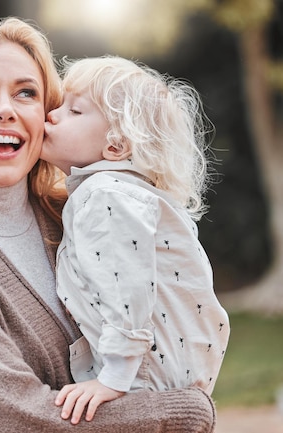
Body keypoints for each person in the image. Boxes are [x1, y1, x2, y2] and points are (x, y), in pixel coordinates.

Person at [0, 17, 216, 432]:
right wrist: (184, 412)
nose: (5, 110)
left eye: (26, 94)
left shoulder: (80, 214)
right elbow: (26, 420)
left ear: (44, 115)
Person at [41, 55, 230, 424]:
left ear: (115, 146)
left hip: (141, 380)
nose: (52, 114)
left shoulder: (105, 195)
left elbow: (127, 290)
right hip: (160, 375)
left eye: (75, 111)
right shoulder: (124, 193)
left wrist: (113, 378)